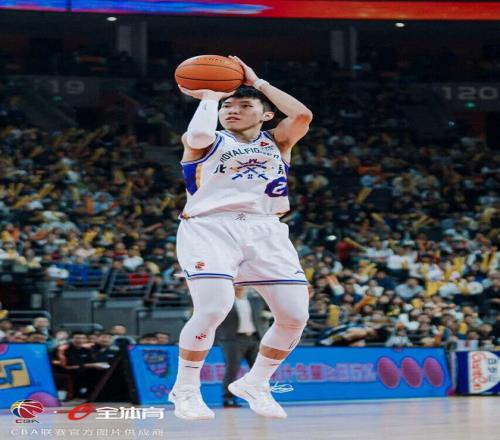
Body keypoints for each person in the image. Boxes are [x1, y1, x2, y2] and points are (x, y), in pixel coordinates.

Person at [169, 55, 312, 420]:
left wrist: (258, 82)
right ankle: (185, 389)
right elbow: (198, 135)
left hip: (266, 228)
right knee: (213, 308)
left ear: (266, 114)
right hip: (210, 227)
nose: (232, 110)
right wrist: (209, 96)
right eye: (227, 105)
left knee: (295, 315)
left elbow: (301, 116)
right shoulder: (207, 140)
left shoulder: (276, 141)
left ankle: (256, 382)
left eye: (244, 105)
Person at [216, 286, 269, 407]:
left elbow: (270, 310)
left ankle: (260, 397)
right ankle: (228, 398)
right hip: (233, 340)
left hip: (254, 338)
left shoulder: (256, 301)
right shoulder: (224, 302)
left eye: (241, 284)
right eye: (235, 284)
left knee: (258, 371)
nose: (239, 287)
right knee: (232, 369)